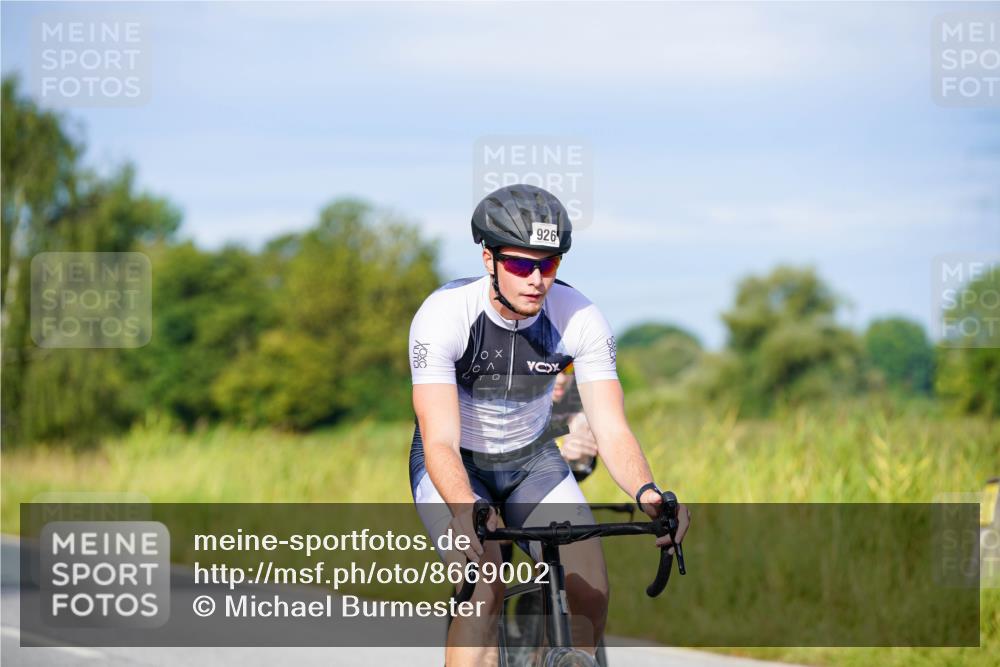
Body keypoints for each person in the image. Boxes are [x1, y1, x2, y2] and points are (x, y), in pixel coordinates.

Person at [407, 184, 690, 666]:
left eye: (550, 264)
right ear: (488, 259)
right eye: (520, 264)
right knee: (485, 586)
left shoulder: (579, 317)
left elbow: (612, 429)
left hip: (532, 460)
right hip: (459, 466)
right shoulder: (443, 317)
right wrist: (464, 508)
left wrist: (648, 493)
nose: (536, 279)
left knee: (591, 589)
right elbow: (439, 439)